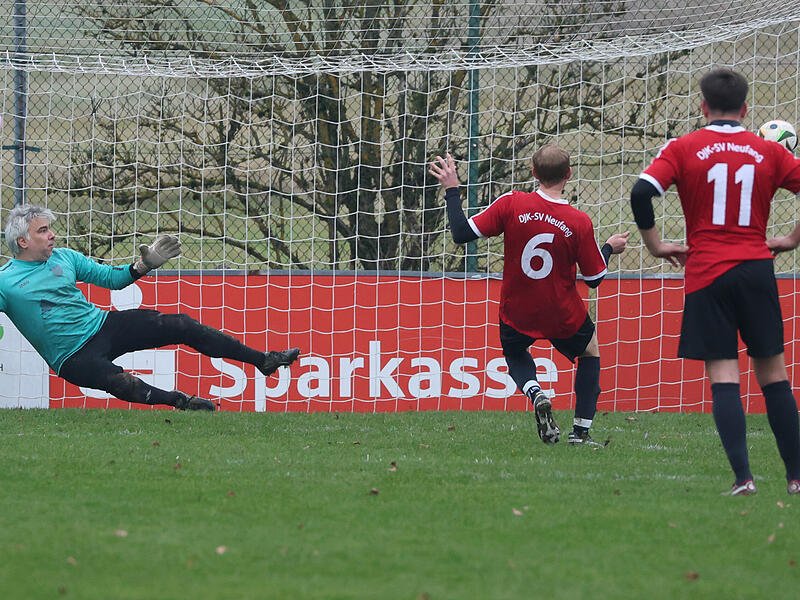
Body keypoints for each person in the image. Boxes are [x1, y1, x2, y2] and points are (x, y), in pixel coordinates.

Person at [630, 67, 800, 496]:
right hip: (756, 270)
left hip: (706, 272)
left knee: (724, 375)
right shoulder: (768, 151)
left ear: (703, 106)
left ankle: (744, 480)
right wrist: (791, 239)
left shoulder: (684, 146)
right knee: (774, 375)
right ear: (746, 109)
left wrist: (655, 246)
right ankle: (796, 479)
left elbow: (640, 192)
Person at [0, 204, 300, 411]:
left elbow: (111, 279)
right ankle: (181, 402)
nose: (52, 234)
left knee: (181, 325)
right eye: (43, 231)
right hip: (71, 357)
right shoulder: (6, 282)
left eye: (50, 228)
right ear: (23, 241)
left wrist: (143, 265)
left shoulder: (64, 257)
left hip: (102, 325)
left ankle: (264, 360)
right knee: (122, 383)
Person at [429, 145, 628, 446]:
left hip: (517, 309)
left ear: (534, 174)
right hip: (562, 312)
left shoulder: (512, 204)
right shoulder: (578, 221)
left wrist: (453, 189)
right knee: (589, 351)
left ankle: (535, 392)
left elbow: (460, 233)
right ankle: (581, 433)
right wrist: (610, 247)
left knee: (514, 352)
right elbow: (595, 278)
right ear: (569, 175)